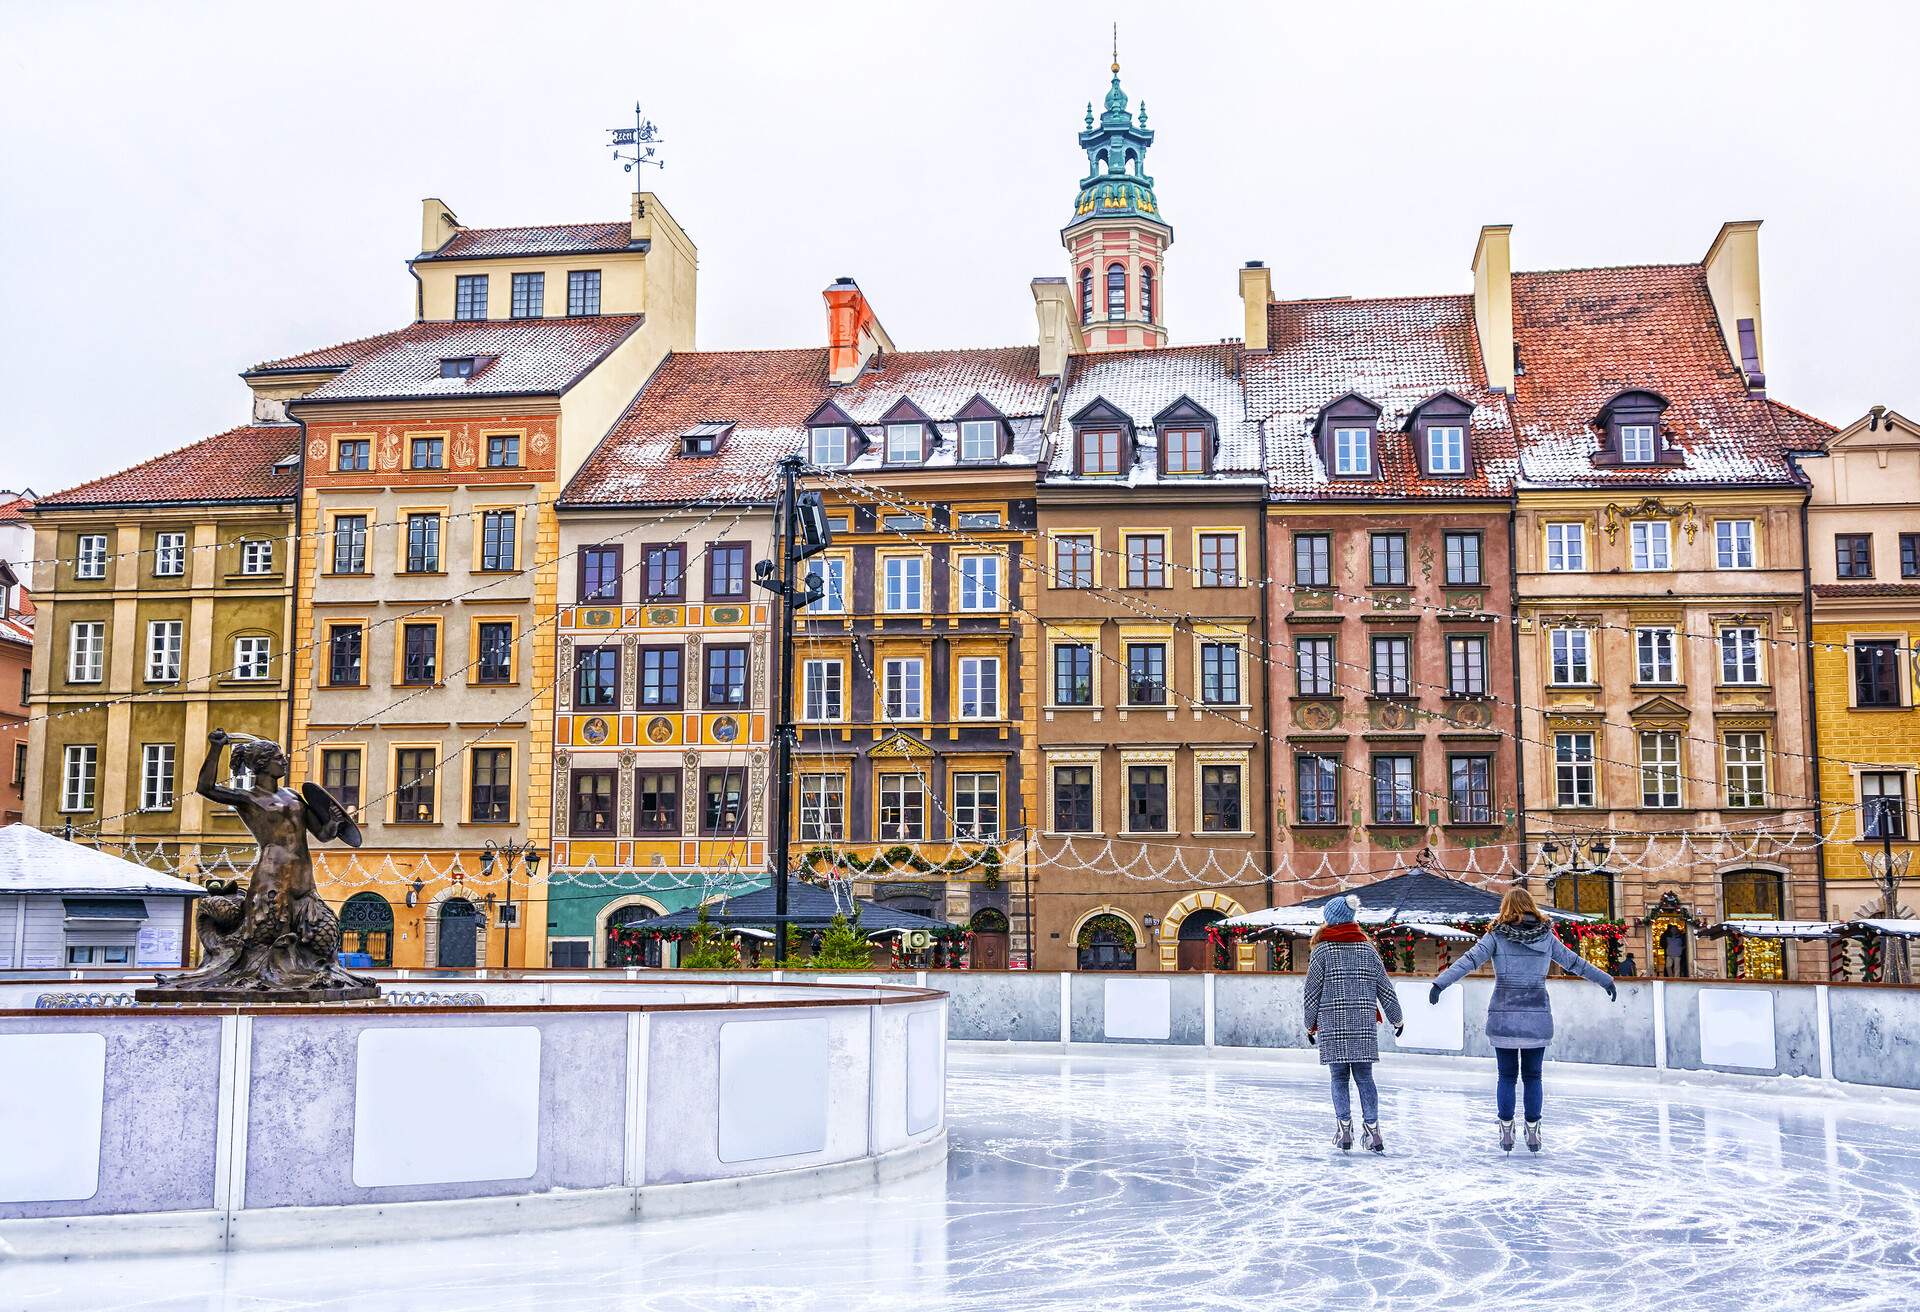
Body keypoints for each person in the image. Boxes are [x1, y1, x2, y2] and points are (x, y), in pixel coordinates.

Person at [1429, 886, 1616, 1153]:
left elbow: (1470, 960)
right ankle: (1533, 1131)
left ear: (1506, 907)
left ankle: (1506, 1131)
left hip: (1504, 1015)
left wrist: (1440, 983)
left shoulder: (1496, 935)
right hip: (1536, 1016)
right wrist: (1605, 980)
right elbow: (1574, 962)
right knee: (1533, 1076)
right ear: (1531, 906)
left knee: (1506, 1075)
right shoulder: (1546, 936)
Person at [1303, 894, 1404, 1153]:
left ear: (1331, 919)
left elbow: (1312, 991)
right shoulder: (1367, 948)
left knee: (1338, 1077)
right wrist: (1397, 1018)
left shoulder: (1322, 950)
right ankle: (1373, 1132)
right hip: (1362, 1023)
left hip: (1332, 1023)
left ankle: (1344, 1130)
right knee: (1365, 1078)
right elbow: (1385, 986)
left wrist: (1309, 1024)